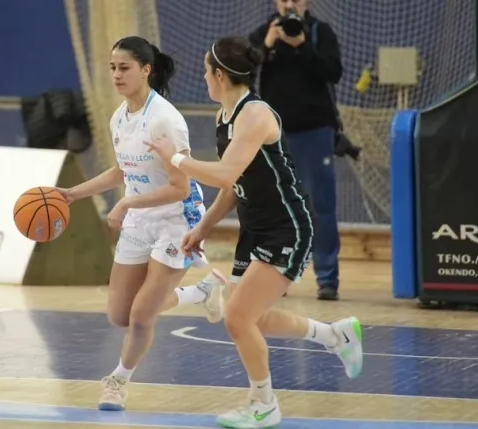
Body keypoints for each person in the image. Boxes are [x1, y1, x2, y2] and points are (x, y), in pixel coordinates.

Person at [146, 36, 362, 429]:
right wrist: (204, 227)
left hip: (287, 227)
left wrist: (174, 158)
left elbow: (223, 173)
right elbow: (233, 186)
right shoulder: (224, 116)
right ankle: (334, 336)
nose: (203, 77)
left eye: (205, 70)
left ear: (219, 75)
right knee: (253, 319)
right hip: (256, 227)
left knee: (237, 318)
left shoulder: (256, 114)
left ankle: (264, 404)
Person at [59, 36, 225, 411]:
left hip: (176, 219)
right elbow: (122, 170)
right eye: (112, 68)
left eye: (124, 68)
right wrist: (72, 194)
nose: (116, 75)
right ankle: (201, 293)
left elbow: (180, 187)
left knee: (140, 317)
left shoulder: (165, 119)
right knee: (120, 314)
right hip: (140, 217)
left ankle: (117, 381)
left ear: (146, 70)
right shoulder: (119, 117)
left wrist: (127, 202)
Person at [248, 0, 343, 300]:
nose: (290, 4)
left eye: (296, 0)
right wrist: (266, 46)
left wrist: (302, 45)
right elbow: (242, 74)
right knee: (276, 207)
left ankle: (327, 278)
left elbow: (333, 72)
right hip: (273, 133)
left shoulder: (320, 32)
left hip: (315, 130)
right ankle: (279, 276)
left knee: (320, 207)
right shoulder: (263, 32)